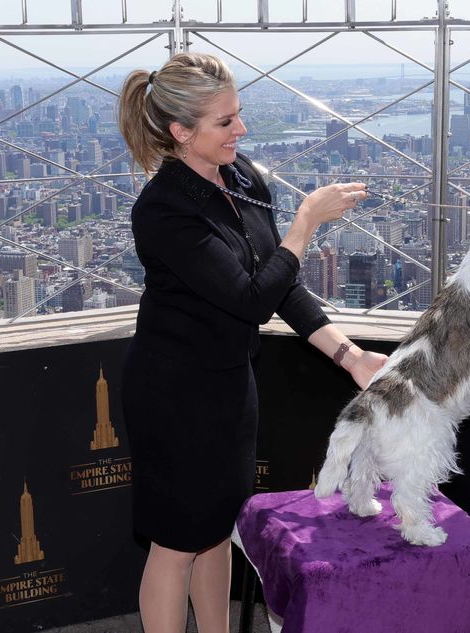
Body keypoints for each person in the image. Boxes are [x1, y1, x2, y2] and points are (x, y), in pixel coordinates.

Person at [117, 53, 388, 633]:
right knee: (175, 544)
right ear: (180, 131)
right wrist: (305, 222)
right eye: (224, 122)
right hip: (173, 396)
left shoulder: (242, 177)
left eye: (238, 114)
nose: (240, 129)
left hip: (229, 385)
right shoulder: (163, 210)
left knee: (218, 531)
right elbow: (250, 299)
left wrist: (351, 356)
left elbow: (279, 283)